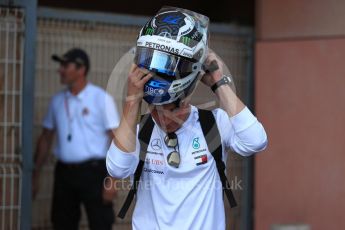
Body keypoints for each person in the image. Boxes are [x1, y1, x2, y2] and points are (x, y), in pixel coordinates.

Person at [106, 7, 268, 230]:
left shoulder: (214, 124)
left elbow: (256, 140)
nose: (164, 116)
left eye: (173, 107)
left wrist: (219, 83)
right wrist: (132, 101)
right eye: (156, 108)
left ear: (187, 99)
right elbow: (116, 169)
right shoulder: (140, 131)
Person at [33, 48, 119, 230]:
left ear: (81, 69)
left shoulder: (100, 98)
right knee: (62, 223)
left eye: (65, 65)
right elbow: (46, 138)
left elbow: (116, 138)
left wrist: (112, 180)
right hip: (65, 173)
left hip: (94, 173)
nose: (60, 70)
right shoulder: (57, 100)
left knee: (101, 223)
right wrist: (35, 174)